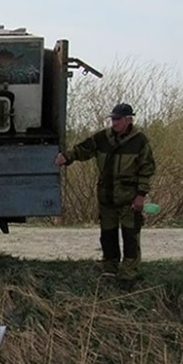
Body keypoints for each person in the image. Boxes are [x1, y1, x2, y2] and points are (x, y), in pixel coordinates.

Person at [54, 103, 156, 285]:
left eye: (118, 119)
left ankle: (129, 273)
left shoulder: (140, 141)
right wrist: (67, 157)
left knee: (130, 236)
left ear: (128, 120)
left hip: (129, 197)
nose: (114, 123)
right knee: (107, 235)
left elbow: (146, 170)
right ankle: (110, 268)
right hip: (107, 196)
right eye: (113, 119)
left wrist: (141, 195)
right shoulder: (103, 138)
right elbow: (83, 149)